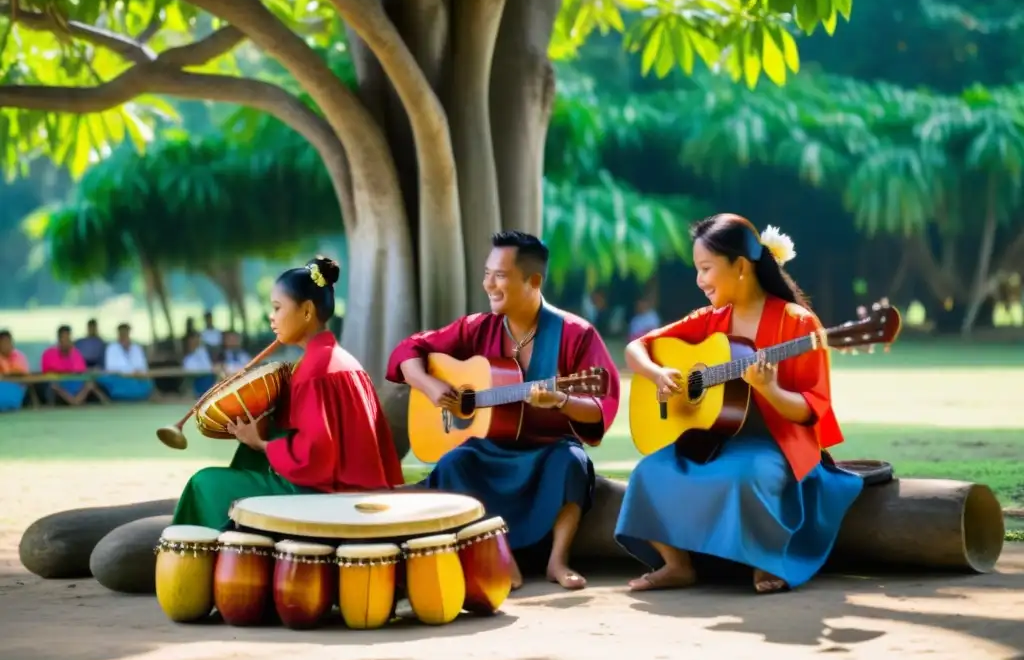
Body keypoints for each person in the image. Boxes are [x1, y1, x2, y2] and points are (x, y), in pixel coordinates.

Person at [614, 214, 864, 595]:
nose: (699, 280)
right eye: (698, 269)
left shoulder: (798, 324)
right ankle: (677, 565)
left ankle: (766, 561)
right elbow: (636, 348)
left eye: (706, 268)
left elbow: (811, 408)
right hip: (715, 438)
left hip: (775, 443)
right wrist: (656, 374)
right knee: (649, 471)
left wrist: (772, 390)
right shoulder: (710, 320)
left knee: (746, 476)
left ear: (741, 266)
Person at [386, 231, 621, 590]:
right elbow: (408, 350)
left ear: (534, 280)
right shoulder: (477, 328)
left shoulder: (576, 333)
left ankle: (557, 561)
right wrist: (430, 385)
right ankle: (501, 555)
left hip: (547, 449)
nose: (488, 284)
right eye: (487, 273)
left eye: (500, 275)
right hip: (488, 448)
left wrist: (562, 399)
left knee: (573, 463)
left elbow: (600, 405)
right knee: (454, 463)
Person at [172, 256, 405, 529]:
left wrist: (261, 444)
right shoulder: (343, 361)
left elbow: (314, 454)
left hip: (323, 497)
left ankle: (201, 566)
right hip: (358, 489)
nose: (272, 317)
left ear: (307, 311)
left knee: (204, 483)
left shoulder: (314, 370)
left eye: (278, 308)